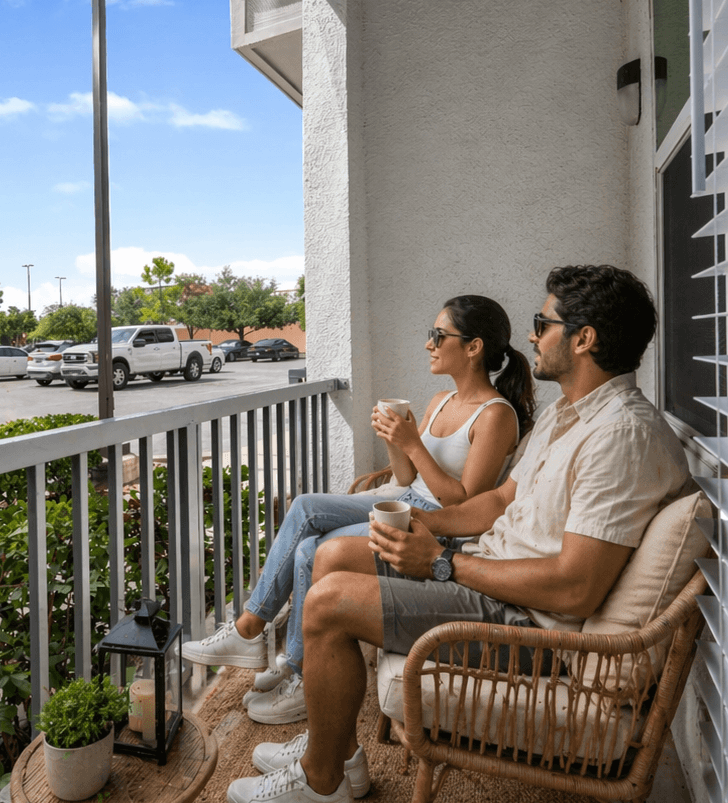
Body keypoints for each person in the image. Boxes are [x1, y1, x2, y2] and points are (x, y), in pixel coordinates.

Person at [225, 265, 692, 803]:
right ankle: (338, 753)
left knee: (328, 602)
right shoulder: (568, 415)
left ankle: (320, 790)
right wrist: (425, 526)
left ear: (584, 338)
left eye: (542, 323)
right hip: (488, 570)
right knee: (331, 556)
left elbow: (575, 587)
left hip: (528, 623)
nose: (531, 336)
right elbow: (496, 502)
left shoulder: (622, 436)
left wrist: (444, 562)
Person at [183, 295, 536, 729]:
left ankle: (296, 669)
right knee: (306, 507)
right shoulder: (441, 400)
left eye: (438, 335)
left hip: (431, 524)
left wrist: (411, 442)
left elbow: (463, 502)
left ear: (473, 347)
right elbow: (406, 476)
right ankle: (253, 633)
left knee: (313, 548)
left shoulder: (496, 415)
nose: (429, 344)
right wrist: (393, 436)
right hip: (401, 499)